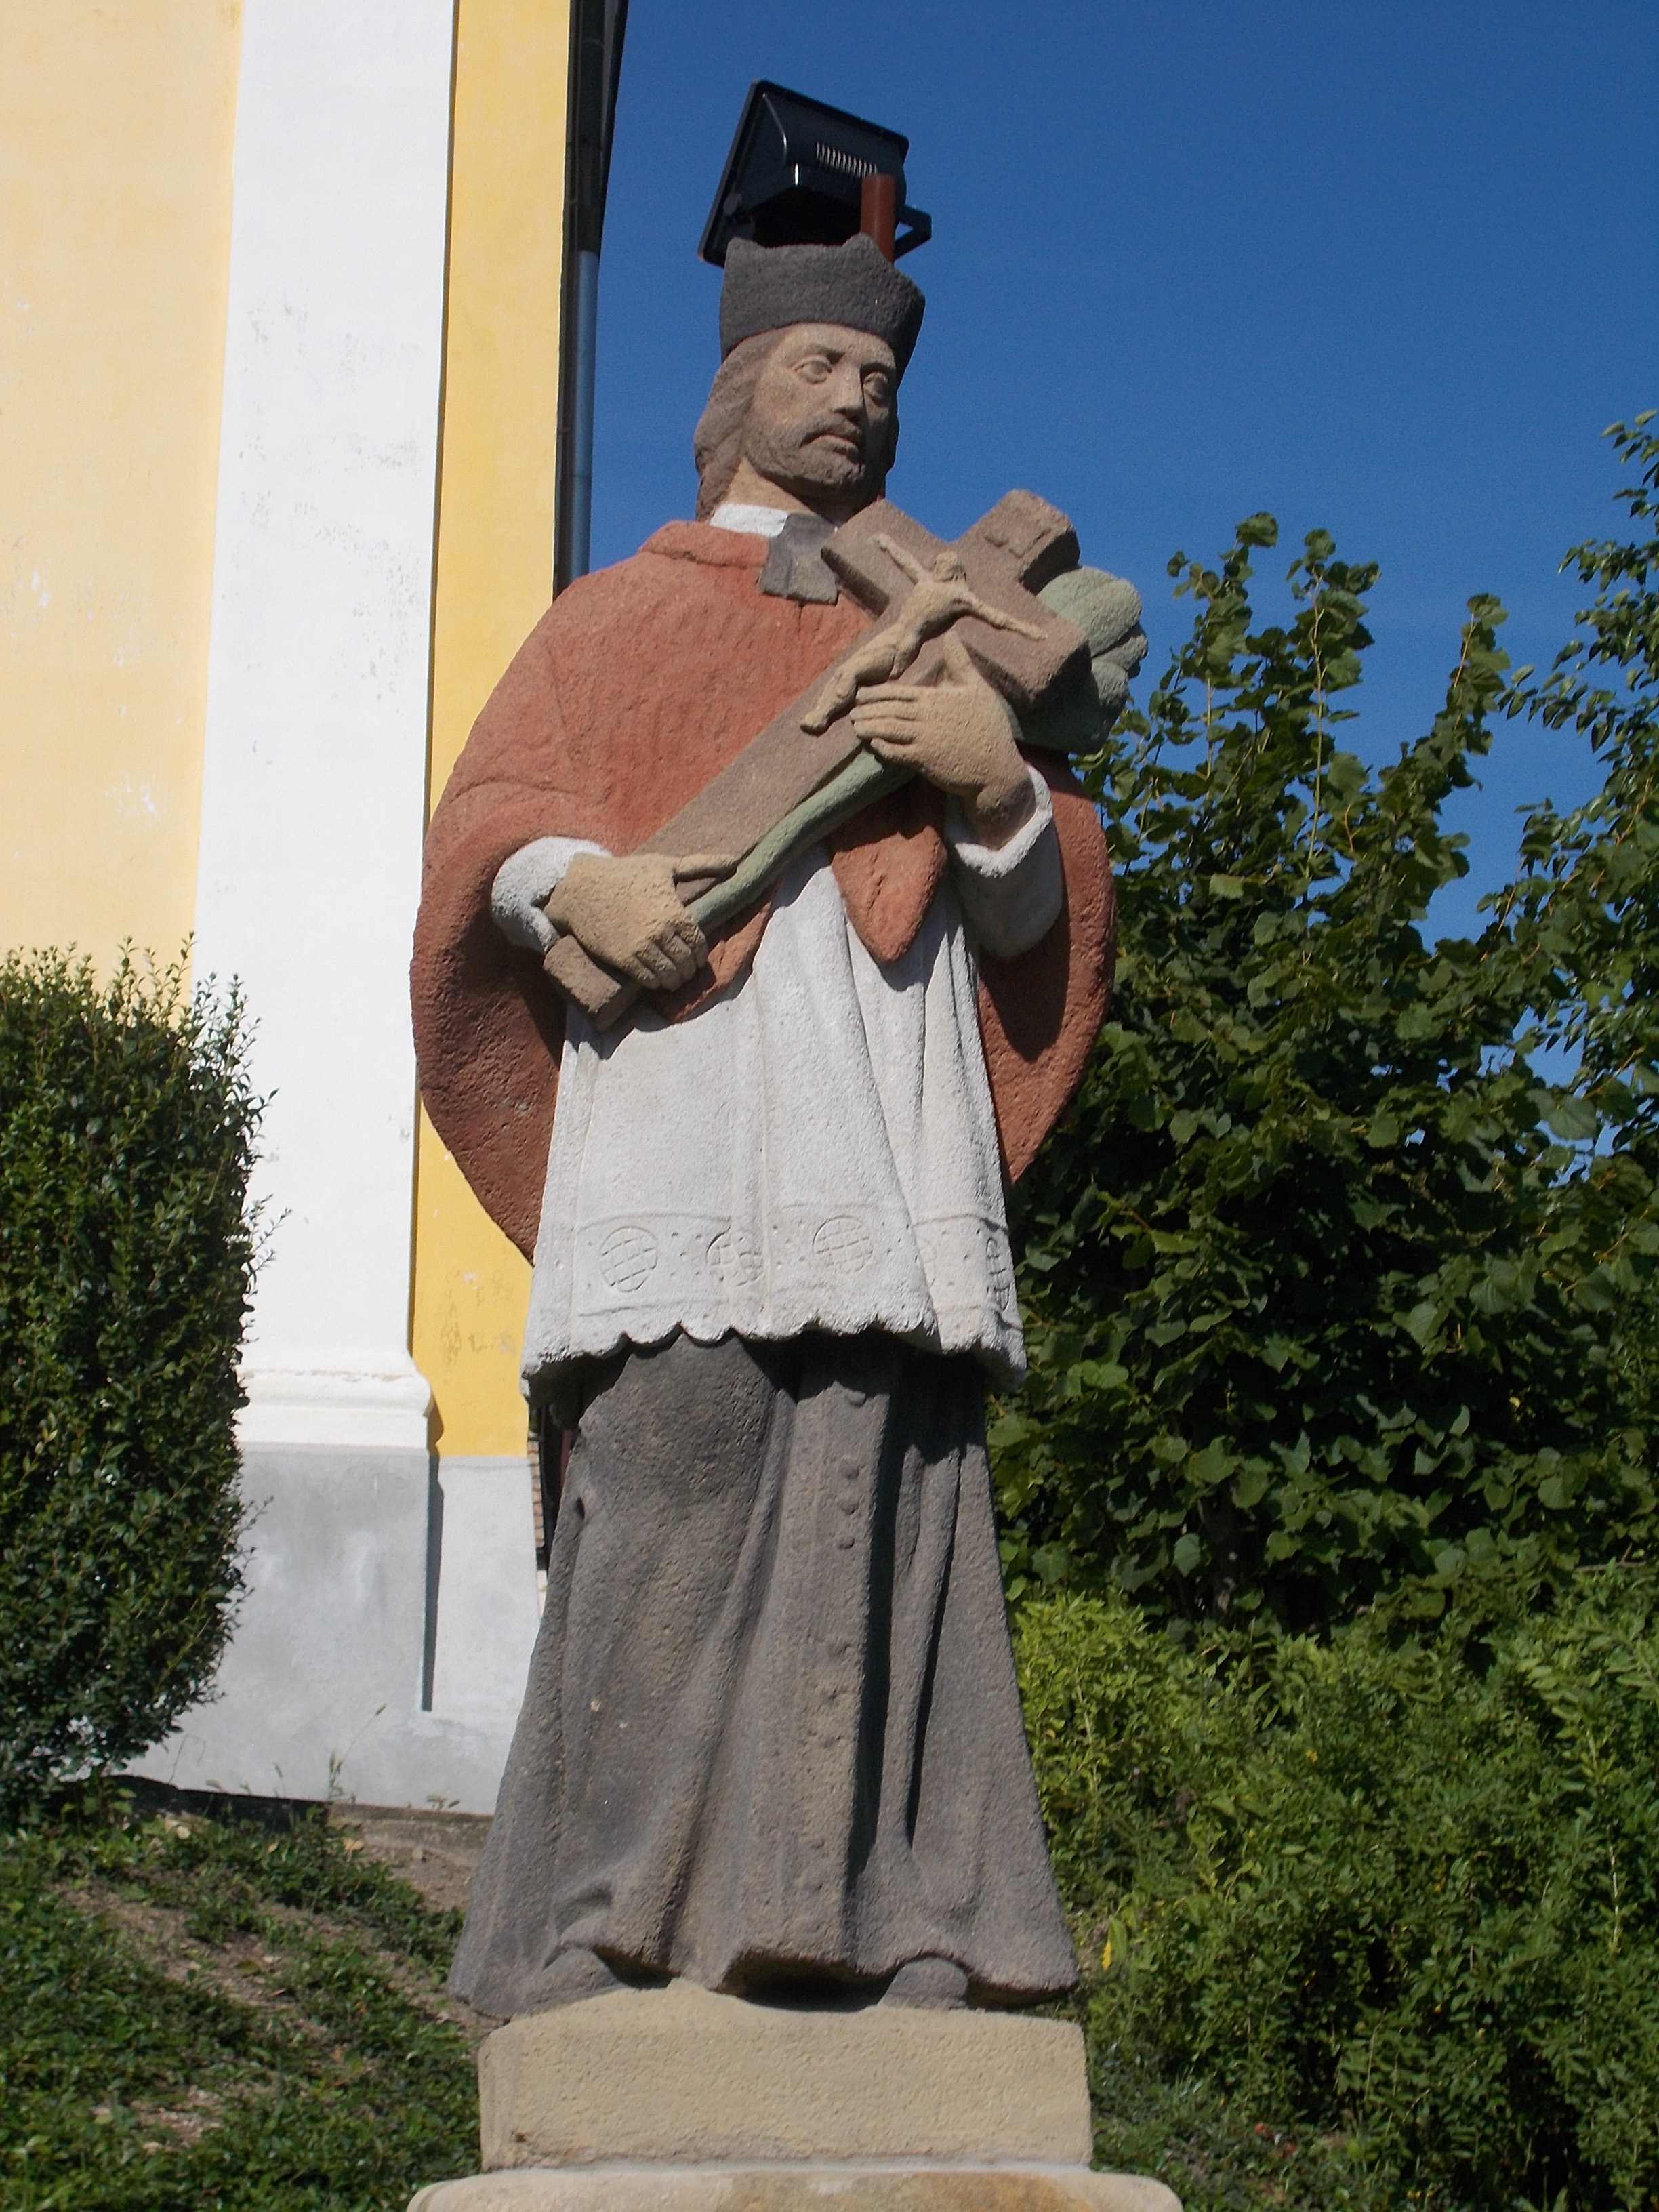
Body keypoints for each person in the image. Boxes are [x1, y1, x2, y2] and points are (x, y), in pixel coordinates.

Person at [411, 232, 1140, 2020]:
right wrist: (575, 889)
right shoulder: (613, 615)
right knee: (670, 1464)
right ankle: (598, 1925)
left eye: (878, 376)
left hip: (880, 1103)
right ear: (742, 393)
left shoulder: (960, 629)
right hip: (683, 1087)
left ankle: (917, 1930)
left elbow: (1035, 927)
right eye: (820, 366)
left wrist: (989, 793)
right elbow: (493, 823)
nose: (859, 396)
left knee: (890, 1486)